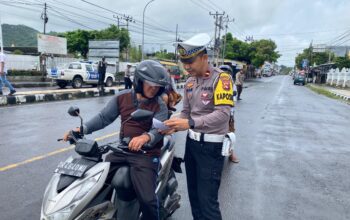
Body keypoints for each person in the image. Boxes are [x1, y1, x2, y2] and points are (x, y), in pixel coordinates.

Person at [63, 60, 169, 220]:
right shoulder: (122, 97)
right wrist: (81, 129)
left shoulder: (160, 105)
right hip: (122, 151)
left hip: (146, 155)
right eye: (150, 84)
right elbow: (104, 118)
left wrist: (146, 136)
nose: (154, 89)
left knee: (147, 200)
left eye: (157, 86)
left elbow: (160, 129)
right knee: (95, 183)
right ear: (139, 81)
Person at [163, 33, 234, 220]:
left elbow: (222, 115)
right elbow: (187, 112)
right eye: (184, 62)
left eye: (191, 62)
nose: (187, 67)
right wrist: (174, 125)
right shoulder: (189, 82)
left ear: (204, 58)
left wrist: (191, 123)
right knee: (194, 198)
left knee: (207, 202)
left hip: (211, 148)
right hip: (192, 146)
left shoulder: (221, 79)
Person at [219, 65, 240, 163]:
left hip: (228, 114)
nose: (223, 74)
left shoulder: (231, 83)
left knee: (230, 134)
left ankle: (231, 154)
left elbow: (233, 99)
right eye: (221, 71)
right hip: (214, 113)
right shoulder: (214, 81)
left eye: (226, 72)